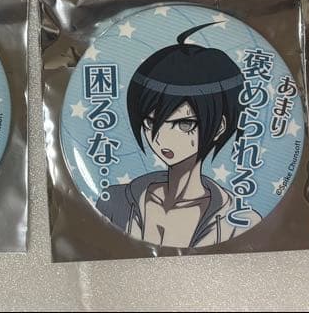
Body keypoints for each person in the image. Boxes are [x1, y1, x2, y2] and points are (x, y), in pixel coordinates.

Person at [98, 23, 258, 247]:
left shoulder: (239, 221)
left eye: (184, 124)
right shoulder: (115, 202)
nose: (161, 138)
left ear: (219, 127)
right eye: (151, 122)